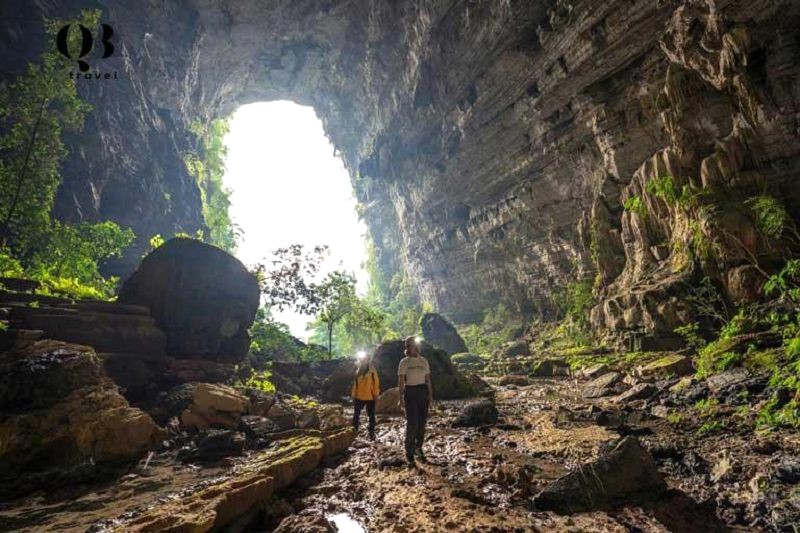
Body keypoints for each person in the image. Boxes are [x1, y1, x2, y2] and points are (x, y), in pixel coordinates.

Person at [397, 336, 433, 467]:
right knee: (413, 422)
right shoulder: (404, 362)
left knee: (422, 423)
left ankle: (419, 447)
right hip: (410, 392)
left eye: (409, 345)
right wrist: (400, 398)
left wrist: (431, 396)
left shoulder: (424, 361)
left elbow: (428, 379)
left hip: (422, 392)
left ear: (416, 346)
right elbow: (401, 382)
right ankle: (409, 450)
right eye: (406, 345)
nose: (407, 347)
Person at [351, 353, 380, 440]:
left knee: (371, 415)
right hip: (358, 397)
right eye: (362, 359)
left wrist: (376, 395)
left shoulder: (372, 371)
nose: (363, 361)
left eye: (365, 359)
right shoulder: (358, 371)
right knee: (356, 414)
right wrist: (353, 395)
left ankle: (371, 432)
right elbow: (355, 384)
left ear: (368, 360)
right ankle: (354, 431)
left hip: (370, 397)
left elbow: (376, 384)